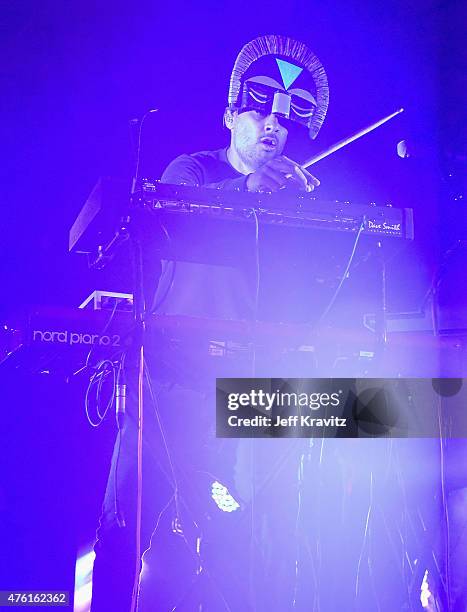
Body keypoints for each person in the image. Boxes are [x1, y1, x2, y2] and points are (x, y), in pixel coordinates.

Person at [90, 34, 329, 612]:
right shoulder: (193, 168)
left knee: (240, 534)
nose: (272, 126)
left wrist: (309, 220)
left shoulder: (287, 196)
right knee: (129, 518)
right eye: (257, 109)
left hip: (239, 386)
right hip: (166, 378)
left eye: (284, 120)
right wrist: (246, 192)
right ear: (229, 116)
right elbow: (173, 212)